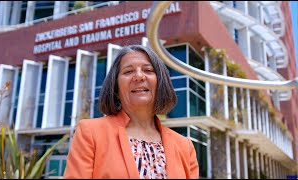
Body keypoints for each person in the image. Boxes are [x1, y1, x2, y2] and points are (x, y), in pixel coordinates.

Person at [63, 45, 199, 179]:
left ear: (160, 83)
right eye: (128, 72)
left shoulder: (184, 146)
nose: (139, 76)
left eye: (148, 70)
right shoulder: (90, 133)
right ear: (115, 87)